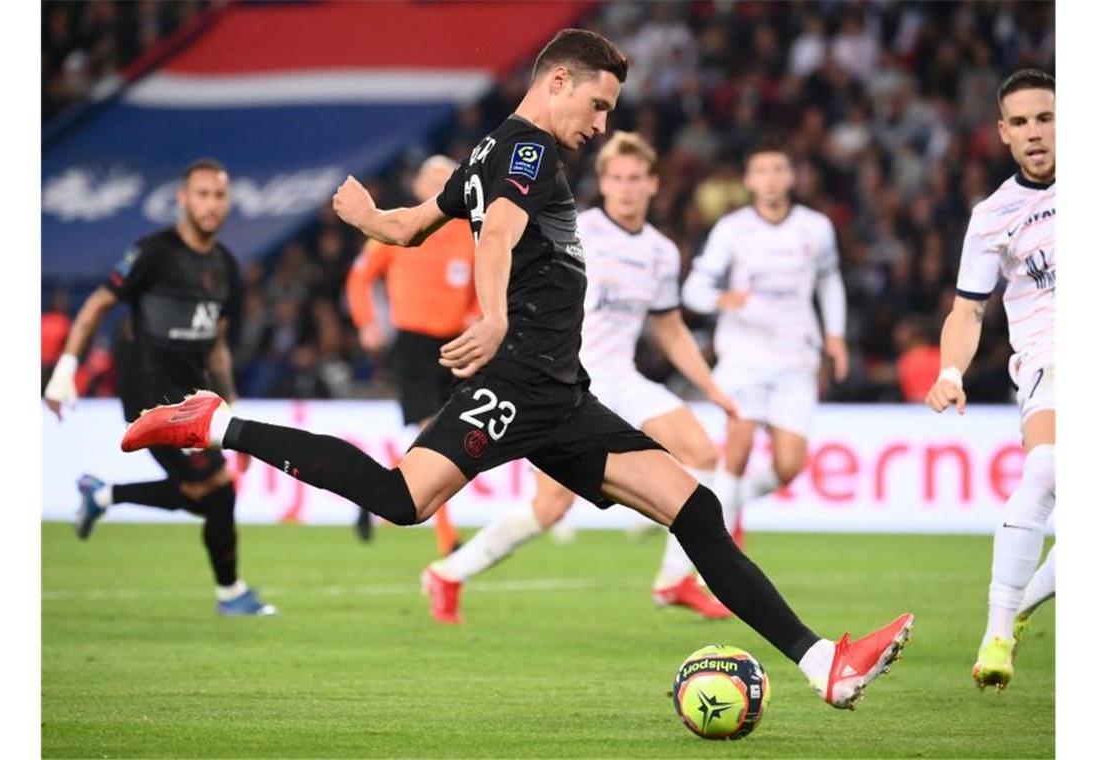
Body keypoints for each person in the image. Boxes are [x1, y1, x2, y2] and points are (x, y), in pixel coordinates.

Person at [121, 29, 911, 708]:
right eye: (597, 105)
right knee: (402, 499)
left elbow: (411, 225)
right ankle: (217, 421)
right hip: (522, 376)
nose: (602, 125)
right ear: (558, 80)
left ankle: (825, 666)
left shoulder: (487, 152)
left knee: (697, 509)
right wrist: (494, 315)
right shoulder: (526, 148)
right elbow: (494, 236)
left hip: (563, 394)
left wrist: (371, 219)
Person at [421, 131, 738, 624]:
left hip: (622, 379)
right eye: (616, 178)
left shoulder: (661, 252)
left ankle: (676, 579)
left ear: (653, 184)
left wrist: (714, 390)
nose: (626, 188)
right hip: (565, 375)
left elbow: (671, 330)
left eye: (635, 178)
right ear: (603, 183)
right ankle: (448, 573)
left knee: (702, 452)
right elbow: (510, 258)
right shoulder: (578, 227)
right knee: (549, 509)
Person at [44, 158, 275, 617]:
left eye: (219, 196)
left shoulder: (226, 266)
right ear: (183, 199)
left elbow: (217, 346)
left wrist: (236, 412)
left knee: (204, 495)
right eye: (202, 194)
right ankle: (230, 594)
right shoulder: (152, 253)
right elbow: (95, 306)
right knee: (217, 489)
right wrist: (65, 368)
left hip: (193, 396)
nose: (211, 205)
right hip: (148, 393)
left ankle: (103, 494)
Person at [925, 69, 1055, 691]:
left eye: (1046, 118)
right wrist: (951, 370)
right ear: (1003, 133)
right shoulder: (994, 215)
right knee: (1049, 467)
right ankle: (998, 630)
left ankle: (1024, 600)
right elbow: (968, 309)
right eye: (1022, 122)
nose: (1035, 133)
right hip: (1048, 360)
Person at [682, 141, 849, 548]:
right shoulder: (732, 229)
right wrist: (721, 299)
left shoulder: (816, 227)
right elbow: (693, 289)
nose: (771, 179)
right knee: (736, 450)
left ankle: (721, 507)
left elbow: (829, 281)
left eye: (778, 170)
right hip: (744, 356)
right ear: (748, 180)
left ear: (791, 177)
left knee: (789, 466)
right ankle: (714, 549)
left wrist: (835, 335)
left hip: (796, 358)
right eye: (762, 171)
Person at [346, 155, 477, 553]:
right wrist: (367, 321)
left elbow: (485, 290)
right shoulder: (399, 226)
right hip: (413, 345)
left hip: (456, 346)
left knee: (444, 440)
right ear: (419, 188)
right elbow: (359, 277)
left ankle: (375, 499)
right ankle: (447, 538)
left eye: (447, 181)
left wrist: (478, 316)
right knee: (431, 432)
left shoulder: (470, 235)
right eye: (432, 181)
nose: (439, 188)